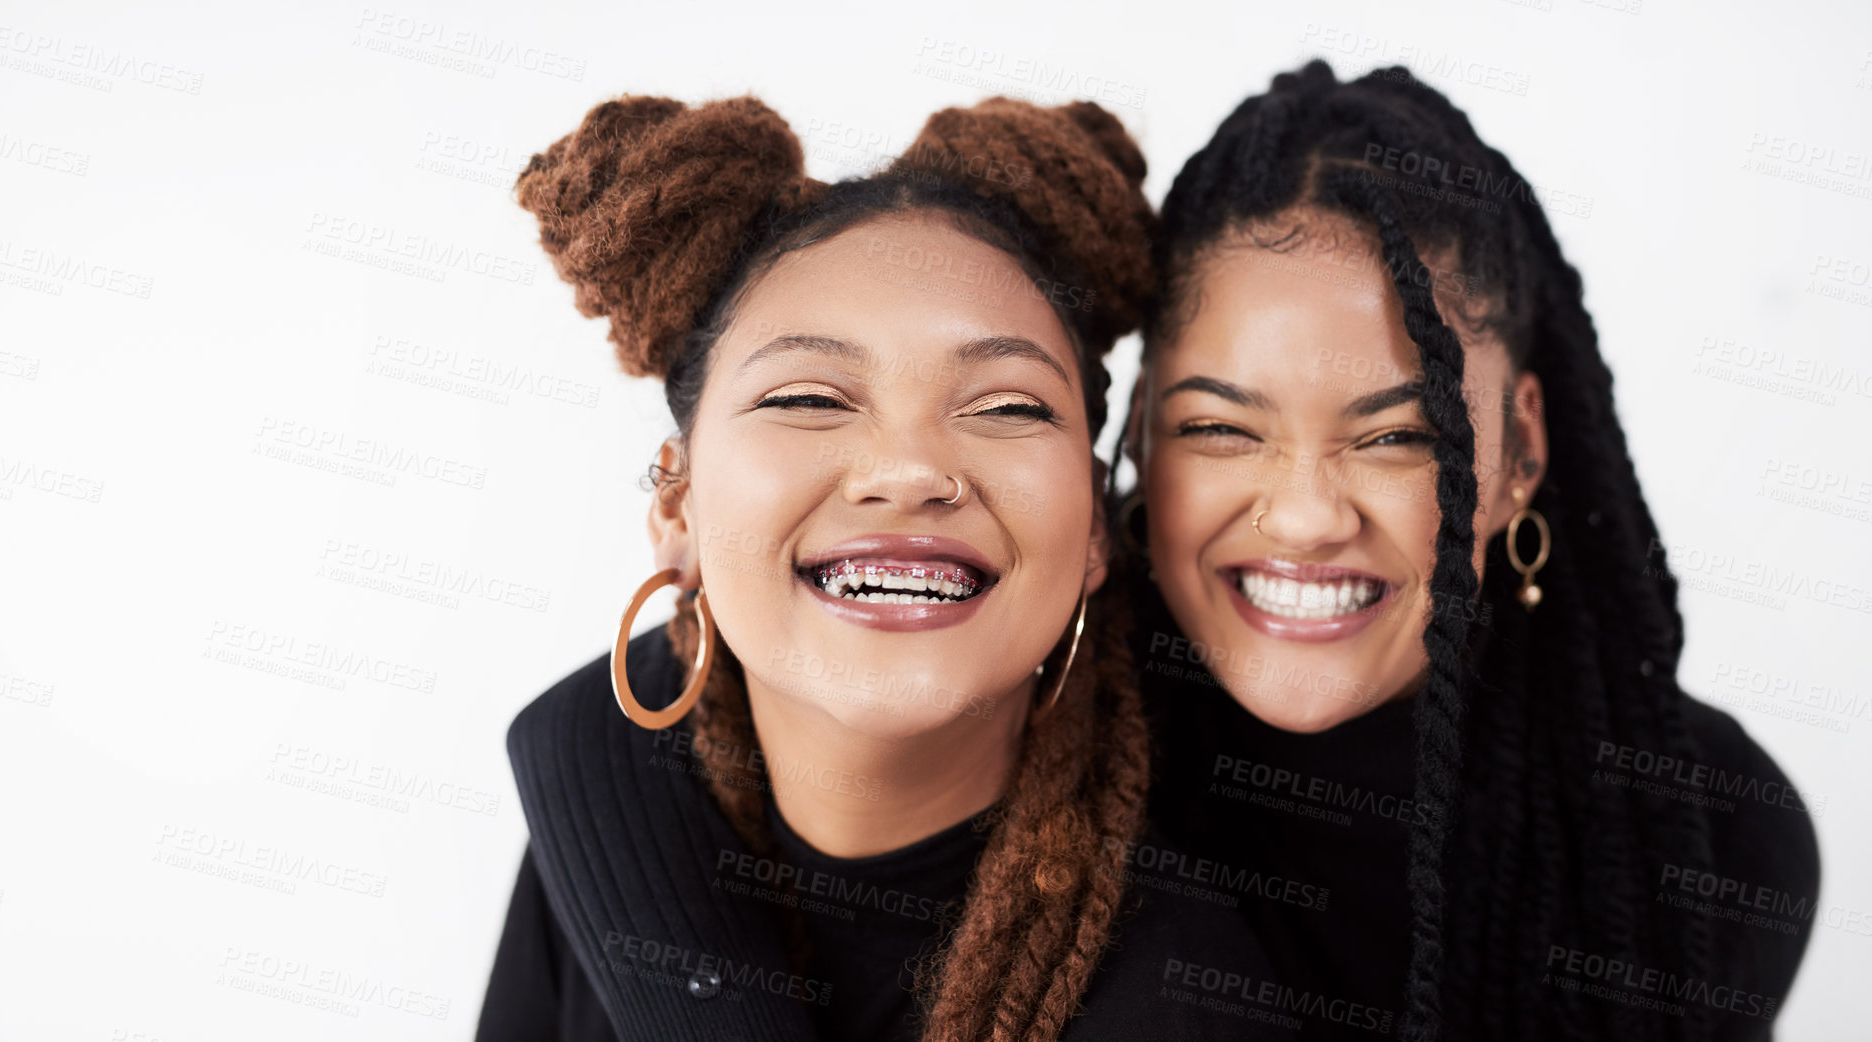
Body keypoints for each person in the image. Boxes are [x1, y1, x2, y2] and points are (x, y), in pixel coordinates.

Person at [477, 93, 1290, 1042]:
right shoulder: (596, 821)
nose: (908, 473)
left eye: (1007, 408)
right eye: (811, 396)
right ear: (675, 506)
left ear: (1098, 536)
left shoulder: (1186, 1003)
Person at [1117, 60, 1822, 1040]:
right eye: (1221, 429)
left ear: (1520, 452)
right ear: (1144, 431)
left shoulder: (1709, 847)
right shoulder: (1004, 765)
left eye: (1400, 435)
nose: (1307, 515)